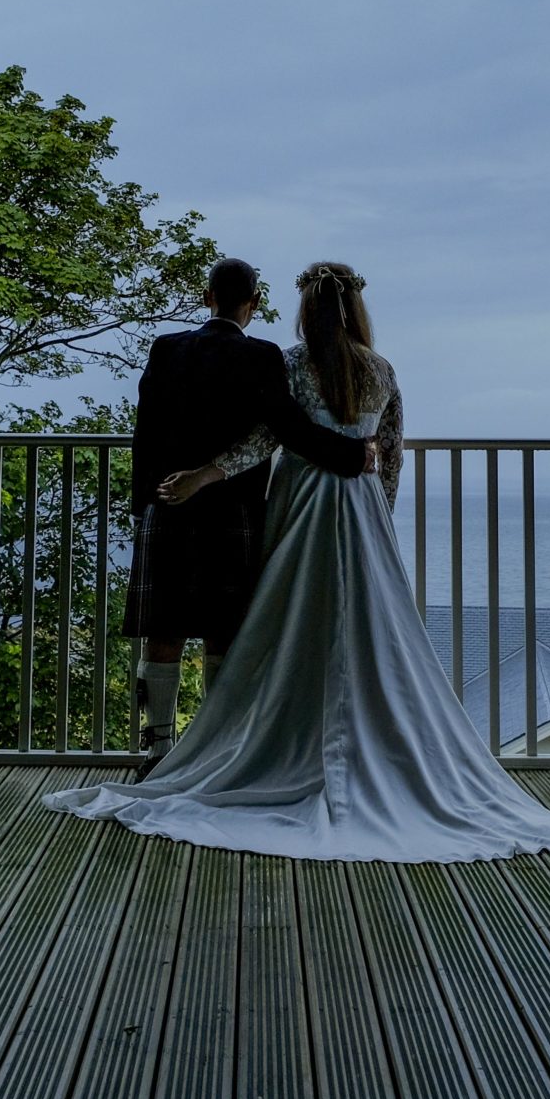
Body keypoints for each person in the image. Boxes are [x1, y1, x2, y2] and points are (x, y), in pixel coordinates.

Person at [47, 262, 550, 862]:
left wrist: (205, 474)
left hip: (298, 505)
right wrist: (379, 516)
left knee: (282, 625)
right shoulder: (380, 369)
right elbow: (390, 456)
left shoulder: (288, 362)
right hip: (359, 507)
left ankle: (216, 743)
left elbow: (269, 437)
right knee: (362, 632)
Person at [119, 256, 374, 761]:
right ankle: (214, 746)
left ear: (206, 296)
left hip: (169, 501)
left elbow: (144, 431)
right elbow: (287, 429)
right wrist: (353, 454)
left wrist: (144, 502)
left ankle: (158, 747)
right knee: (223, 631)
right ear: (253, 304)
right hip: (232, 510)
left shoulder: (166, 349)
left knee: (163, 630)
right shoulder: (261, 356)